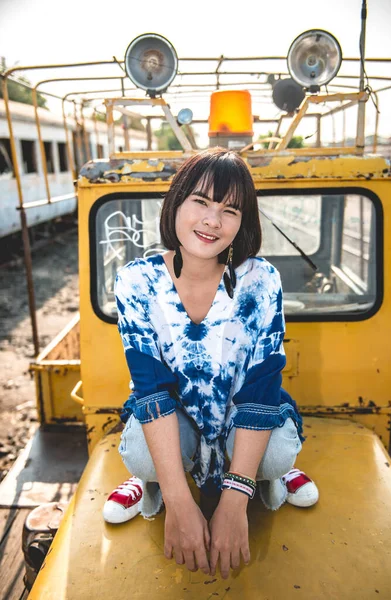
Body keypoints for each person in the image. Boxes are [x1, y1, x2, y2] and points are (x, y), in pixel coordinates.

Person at [103, 148, 318, 579]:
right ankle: (154, 484)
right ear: (176, 203)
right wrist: (181, 506)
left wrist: (235, 503)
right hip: (174, 417)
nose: (212, 221)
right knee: (145, 457)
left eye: (229, 209)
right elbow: (151, 390)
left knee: (275, 457)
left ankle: (267, 479)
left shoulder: (261, 280)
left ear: (243, 222)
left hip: (241, 413)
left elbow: (261, 386)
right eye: (200, 201)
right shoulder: (135, 282)